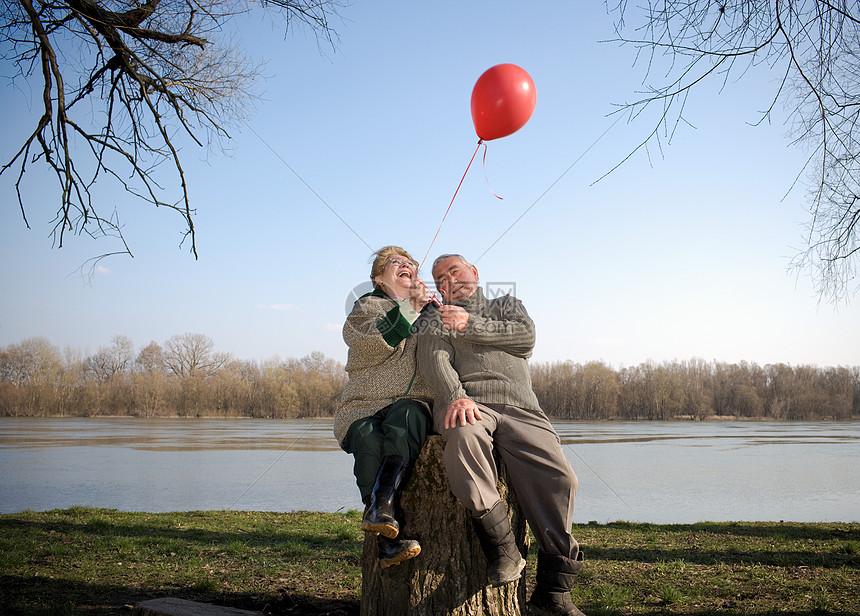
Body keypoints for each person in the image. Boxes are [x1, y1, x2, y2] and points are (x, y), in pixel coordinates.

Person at [415, 254, 584, 616]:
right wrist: (455, 396)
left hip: (523, 408)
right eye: (440, 278)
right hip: (472, 403)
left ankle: (554, 593)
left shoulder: (506, 305)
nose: (449, 280)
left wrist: (468, 324)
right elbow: (434, 360)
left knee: (562, 479)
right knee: (463, 438)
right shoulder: (434, 317)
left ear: (474, 273)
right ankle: (503, 549)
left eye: (455, 271)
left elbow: (525, 339)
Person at [334, 246, 435, 569]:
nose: (406, 265)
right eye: (396, 263)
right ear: (378, 278)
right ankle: (386, 532)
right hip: (364, 402)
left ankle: (382, 516)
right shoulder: (367, 307)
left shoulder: (431, 310)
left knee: (407, 418)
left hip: (410, 401)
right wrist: (410, 308)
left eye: (410, 264)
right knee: (366, 437)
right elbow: (373, 342)